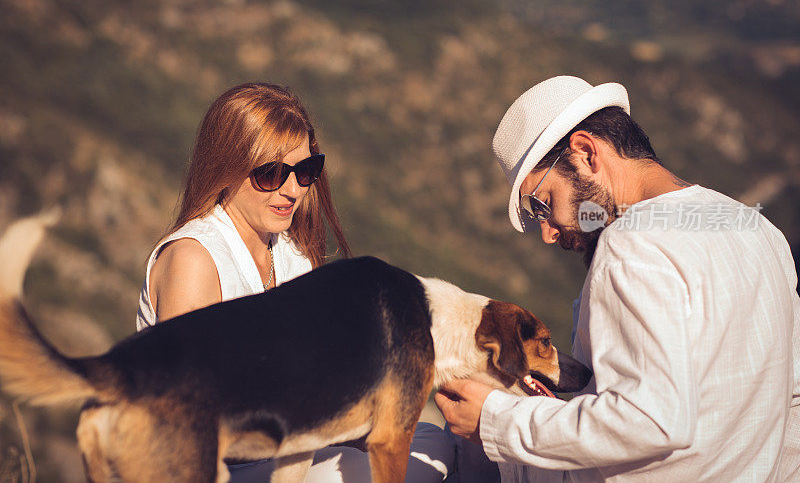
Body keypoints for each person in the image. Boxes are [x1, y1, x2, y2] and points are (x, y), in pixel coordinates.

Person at [435, 75, 800, 481]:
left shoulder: (631, 245)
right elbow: (791, 401)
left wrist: (495, 420)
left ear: (586, 153)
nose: (548, 231)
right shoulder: (756, 229)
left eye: (542, 203)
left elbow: (649, 418)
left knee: (435, 453)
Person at [138, 82, 454, 482]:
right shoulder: (194, 259)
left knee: (435, 445)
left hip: (282, 449)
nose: (293, 190)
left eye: (306, 171)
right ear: (225, 169)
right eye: (271, 173)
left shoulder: (291, 254)